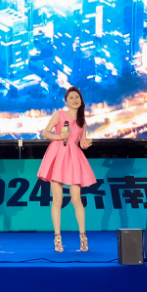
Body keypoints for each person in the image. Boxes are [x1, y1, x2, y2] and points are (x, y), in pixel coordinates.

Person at [38, 86, 96, 253]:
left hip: (73, 158)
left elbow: (82, 142)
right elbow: (45, 133)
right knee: (57, 200)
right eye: (71, 98)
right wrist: (59, 136)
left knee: (76, 200)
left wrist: (85, 144)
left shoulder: (82, 121)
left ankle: (83, 237)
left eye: (77, 97)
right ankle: (57, 238)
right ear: (66, 101)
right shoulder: (60, 115)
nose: (75, 100)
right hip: (57, 155)